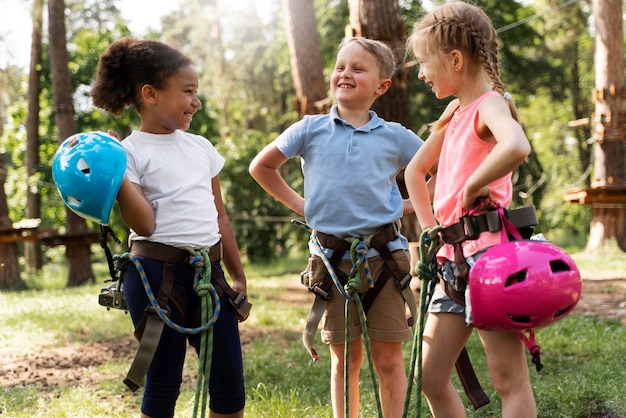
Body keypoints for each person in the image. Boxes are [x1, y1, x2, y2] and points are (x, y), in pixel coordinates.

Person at [249, 37, 424, 418]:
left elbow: (437, 172)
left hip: (385, 260)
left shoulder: (396, 136)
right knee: (346, 360)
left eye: (358, 68)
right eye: (340, 66)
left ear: (382, 86)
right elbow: (261, 167)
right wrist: (301, 205)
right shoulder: (309, 129)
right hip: (330, 261)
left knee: (389, 357)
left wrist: (409, 205)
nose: (345, 73)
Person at [90, 37, 247, 418]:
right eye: (188, 92)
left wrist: (237, 276)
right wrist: (115, 171)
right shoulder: (128, 152)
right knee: (162, 382)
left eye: (197, 92)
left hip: (209, 274)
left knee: (229, 388)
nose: (196, 101)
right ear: (150, 94)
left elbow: (219, 215)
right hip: (154, 276)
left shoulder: (202, 147)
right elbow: (144, 223)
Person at [404, 2, 536, 418]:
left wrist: (475, 184)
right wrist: (431, 231)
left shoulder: (490, 105)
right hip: (451, 264)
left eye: (425, 63)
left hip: (490, 261)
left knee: (508, 380)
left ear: (455, 59)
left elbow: (517, 146)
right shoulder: (455, 111)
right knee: (429, 375)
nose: (422, 74)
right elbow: (415, 170)